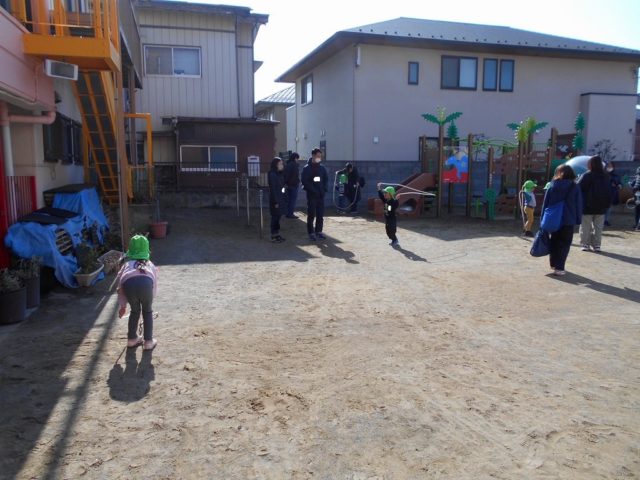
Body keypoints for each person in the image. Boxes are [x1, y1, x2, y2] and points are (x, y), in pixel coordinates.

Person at [116, 235, 159, 350]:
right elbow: (154, 283)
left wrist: (123, 306)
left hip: (128, 283)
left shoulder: (126, 265)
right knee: (147, 311)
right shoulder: (150, 264)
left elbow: (120, 286)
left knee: (135, 311)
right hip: (146, 283)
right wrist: (151, 297)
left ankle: (131, 339)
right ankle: (148, 341)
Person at [542, 165, 582, 276]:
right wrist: (578, 219)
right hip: (568, 220)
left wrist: (543, 219)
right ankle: (559, 268)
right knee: (564, 244)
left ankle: (553, 264)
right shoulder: (575, 187)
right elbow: (578, 204)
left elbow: (545, 204)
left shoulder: (552, 186)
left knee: (554, 241)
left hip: (553, 219)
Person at [577, 155, 611, 252]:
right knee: (598, 227)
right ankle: (597, 245)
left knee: (585, 226)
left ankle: (585, 244)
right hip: (601, 206)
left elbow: (578, 187)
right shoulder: (606, 176)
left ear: (590, 164)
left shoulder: (587, 175)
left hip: (587, 206)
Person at [301, 148, 328, 241]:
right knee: (311, 214)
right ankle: (311, 232)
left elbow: (326, 179)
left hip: (320, 194)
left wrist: (324, 189)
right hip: (311, 195)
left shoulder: (322, 168)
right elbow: (304, 181)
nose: (319, 158)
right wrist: (312, 190)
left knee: (320, 214)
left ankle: (319, 231)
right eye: (317, 156)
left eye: (320, 156)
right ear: (313, 156)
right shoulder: (307, 168)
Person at [268, 157, 286, 243]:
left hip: (280, 198)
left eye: (282, 164)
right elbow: (273, 189)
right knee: (275, 217)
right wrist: (275, 201)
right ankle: (273, 236)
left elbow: (281, 186)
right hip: (275, 199)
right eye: (280, 164)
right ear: (276, 165)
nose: (282, 165)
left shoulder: (279, 174)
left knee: (278, 217)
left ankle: (277, 234)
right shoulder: (272, 174)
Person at [377, 183, 400, 247]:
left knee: (392, 230)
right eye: (384, 193)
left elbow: (395, 205)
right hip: (387, 219)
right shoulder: (386, 200)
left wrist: (397, 199)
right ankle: (393, 240)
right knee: (388, 231)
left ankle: (395, 240)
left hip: (392, 219)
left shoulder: (393, 201)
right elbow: (381, 196)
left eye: (386, 193)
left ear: (390, 194)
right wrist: (379, 188)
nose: (384, 194)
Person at [283, 152, 300, 219]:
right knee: (292, 200)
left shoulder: (288, 164)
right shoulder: (294, 165)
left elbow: (286, 175)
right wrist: (297, 181)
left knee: (288, 200)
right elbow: (295, 175)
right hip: (293, 185)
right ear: (295, 158)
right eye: (297, 158)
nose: (298, 160)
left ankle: (288, 213)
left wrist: (285, 183)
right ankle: (290, 214)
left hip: (288, 185)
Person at [604, 161, 621, 226]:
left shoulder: (616, 175)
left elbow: (619, 183)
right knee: (603, 208)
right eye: (608, 166)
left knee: (609, 208)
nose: (609, 167)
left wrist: (618, 185)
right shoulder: (603, 174)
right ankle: (602, 220)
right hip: (603, 194)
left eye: (611, 166)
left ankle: (606, 220)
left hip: (612, 193)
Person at [629, 166, 640, 231]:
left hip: (637, 196)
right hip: (637, 196)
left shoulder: (637, 177)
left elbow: (633, 186)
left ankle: (637, 225)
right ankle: (637, 225)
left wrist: (630, 184)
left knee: (637, 211)